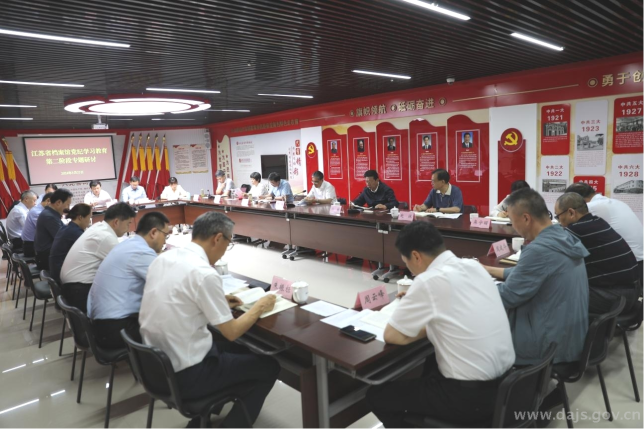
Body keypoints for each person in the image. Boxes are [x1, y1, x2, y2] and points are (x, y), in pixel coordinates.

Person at [366, 222, 515, 428]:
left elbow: (392, 335)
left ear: (416, 256)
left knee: (377, 395)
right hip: (508, 386)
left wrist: (432, 320)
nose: (410, 270)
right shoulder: (473, 266)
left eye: (406, 262)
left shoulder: (428, 280)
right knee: (430, 363)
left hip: (470, 399)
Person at [139, 211, 280, 427]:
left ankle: (204, 417)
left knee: (243, 351)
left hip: (154, 367)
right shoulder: (204, 273)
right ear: (218, 238)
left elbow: (178, 298)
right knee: (269, 366)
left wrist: (217, 301)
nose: (224, 252)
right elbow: (231, 332)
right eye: (228, 243)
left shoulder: (163, 259)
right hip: (186, 375)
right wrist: (260, 306)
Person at [482, 188, 588, 365]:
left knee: (478, 334)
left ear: (526, 218)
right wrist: (488, 270)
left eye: (512, 221)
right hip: (569, 335)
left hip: (548, 346)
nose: (513, 227)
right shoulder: (564, 236)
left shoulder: (539, 250)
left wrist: (471, 285)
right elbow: (530, 273)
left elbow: (508, 296)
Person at [88, 212, 170, 349]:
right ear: (154, 232)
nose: (165, 241)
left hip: (101, 324)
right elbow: (169, 284)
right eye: (165, 235)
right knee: (175, 325)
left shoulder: (128, 244)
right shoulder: (141, 252)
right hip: (115, 329)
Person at [555, 192, 639, 314]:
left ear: (571, 213)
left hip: (615, 297)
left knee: (554, 294)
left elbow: (550, 254)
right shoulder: (599, 222)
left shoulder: (577, 230)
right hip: (632, 292)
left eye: (558, 216)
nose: (558, 221)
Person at [60, 202, 136, 312]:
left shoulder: (98, 227)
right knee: (130, 295)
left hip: (71, 286)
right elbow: (127, 268)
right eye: (128, 223)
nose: (128, 228)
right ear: (116, 222)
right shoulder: (106, 237)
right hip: (79, 291)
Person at [565, 182, 643, 266]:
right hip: (638, 259)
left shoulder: (591, 206)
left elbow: (565, 224)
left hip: (631, 262)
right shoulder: (617, 202)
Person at [48, 203, 92, 285]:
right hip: (62, 276)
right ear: (80, 217)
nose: (89, 221)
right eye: (89, 217)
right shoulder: (75, 233)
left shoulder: (67, 227)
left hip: (56, 271)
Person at [34, 188, 73, 270]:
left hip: (48, 254)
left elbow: (63, 231)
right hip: (46, 258)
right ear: (58, 203)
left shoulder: (51, 213)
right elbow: (62, 239)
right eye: (68, 204)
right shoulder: (49, 216)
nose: (68, 208)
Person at [22, 192, 53, 257]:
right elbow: (47, 229)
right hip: (30, 246)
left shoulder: (40, 209)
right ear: (48, 201)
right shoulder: (37, 212)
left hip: (34, 243)